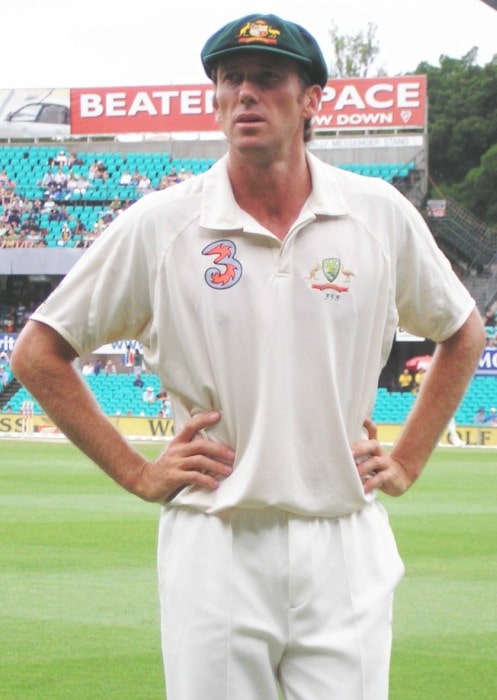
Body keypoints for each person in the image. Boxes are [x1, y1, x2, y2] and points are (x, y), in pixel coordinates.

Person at [11, 13, 486, 700]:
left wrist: (408, 457)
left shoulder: (376, 214)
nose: (244, 95)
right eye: (230, 79)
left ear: (311, 99)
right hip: (216, 542)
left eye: (266, 80)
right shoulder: (162, 224)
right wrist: (137, 473)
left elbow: (461, 330)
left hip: (342, 541)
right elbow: (38, 352)